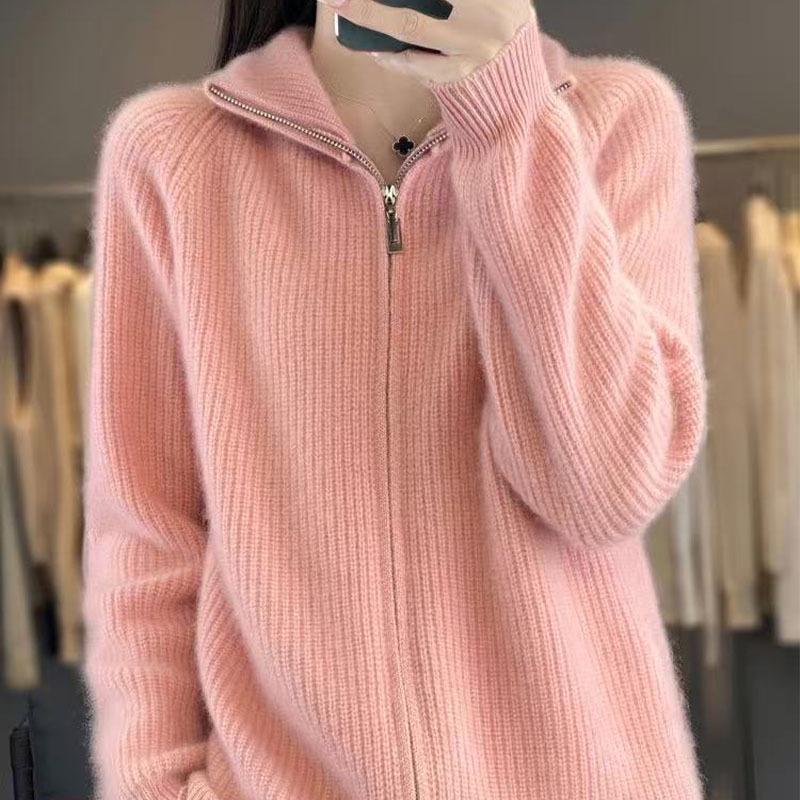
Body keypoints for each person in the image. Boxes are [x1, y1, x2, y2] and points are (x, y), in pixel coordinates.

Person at [80, 1, 709, 798]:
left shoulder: (613, 120)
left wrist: (507, 123)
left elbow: (602, 492)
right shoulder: (172, 152)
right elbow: (146, 533)